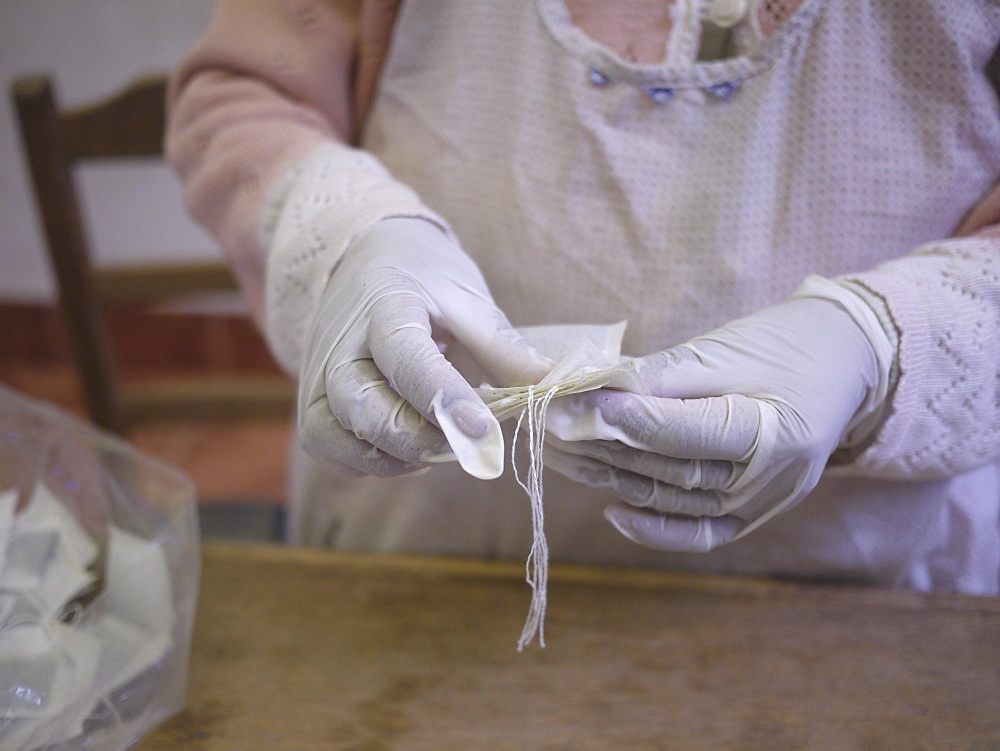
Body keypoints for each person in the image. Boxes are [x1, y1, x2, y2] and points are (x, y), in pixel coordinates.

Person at [167, 0, 1000, 595]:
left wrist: (880, 341)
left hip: (870, 592)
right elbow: (244, 95)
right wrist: (351, 229)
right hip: (424, 568)